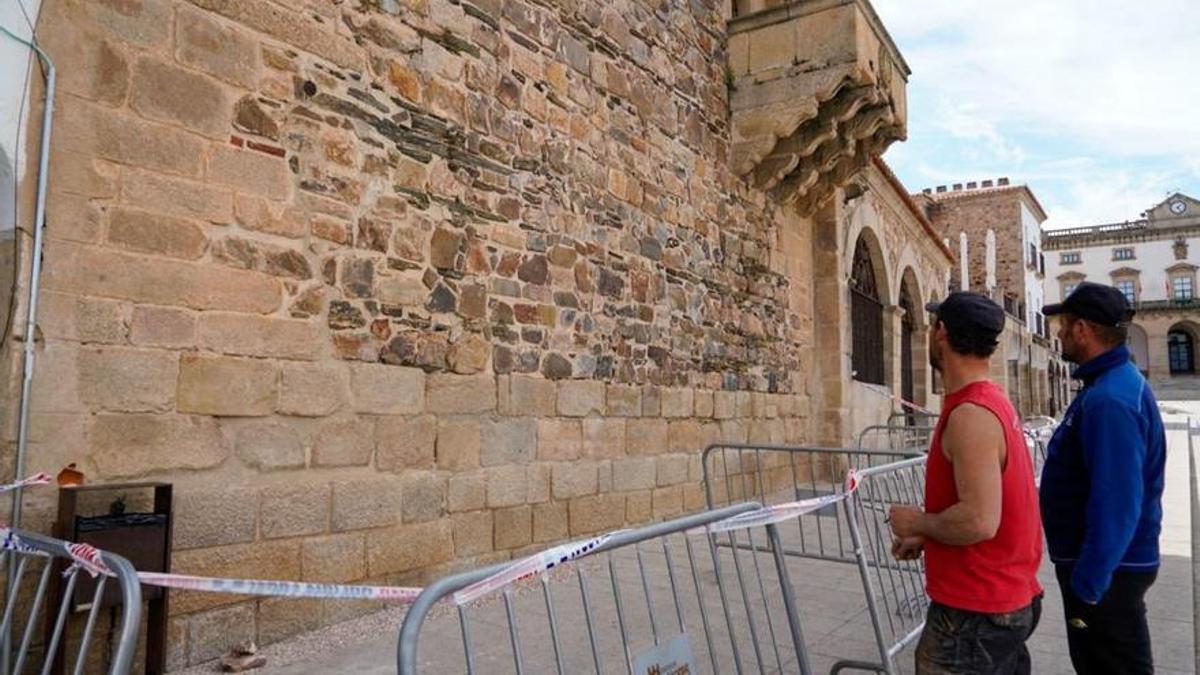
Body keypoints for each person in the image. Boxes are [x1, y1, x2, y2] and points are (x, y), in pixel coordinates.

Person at [888, 291, 1043, 674]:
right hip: (997, 601)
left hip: (977, 611)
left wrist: (919, 522)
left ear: (940, 332)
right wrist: (932, 536)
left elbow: (979, 520)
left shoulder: (971, 414)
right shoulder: (988, 401)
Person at [1040, 282, 1166, 674]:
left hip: (1108, 573)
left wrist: (1089, 585)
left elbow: (1117, 501)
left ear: (1082, 329)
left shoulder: (1110, 400)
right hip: (1108, 567)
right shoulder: (1108, 386)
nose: (1058, 333)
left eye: (1063, 324)